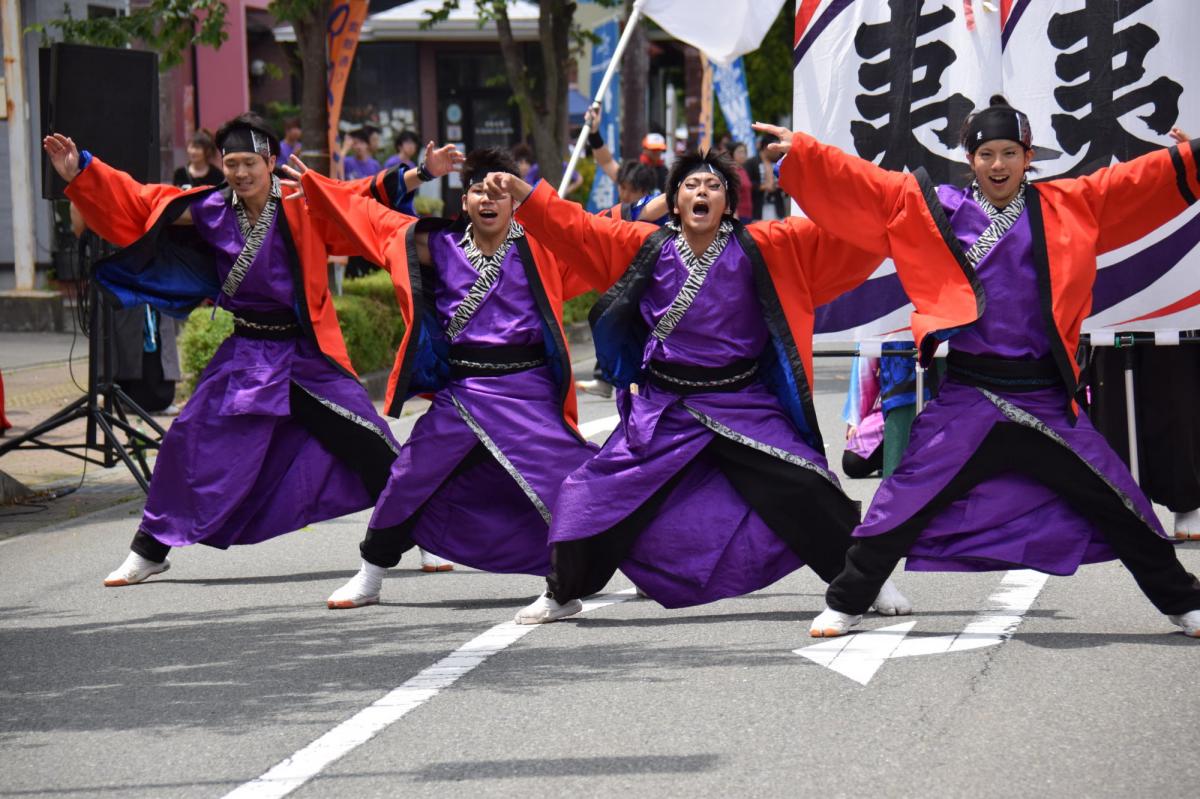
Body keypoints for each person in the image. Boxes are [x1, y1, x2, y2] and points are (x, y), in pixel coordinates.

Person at [757, 96, 1200, 639]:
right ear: (969, 158)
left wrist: (1191, 159)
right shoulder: (939, 209)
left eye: (1009, 153)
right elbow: (873, 188)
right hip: (970, 394)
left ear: (1029, 156)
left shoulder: (1069, 205)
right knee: (904, 499)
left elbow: (1135, 183)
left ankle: (1182, 602)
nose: (997, 165)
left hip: (1045, 396)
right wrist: (805, 154)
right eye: (986, 153)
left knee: (1118, 499)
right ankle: (848, 600)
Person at [485, 150, 915, 625]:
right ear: (673, 202)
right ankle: (563, 591)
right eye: (690, 186)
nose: (701, 193)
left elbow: (839, 236)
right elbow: (580, 230)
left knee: (807, 481)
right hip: (666, 405)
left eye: (713, 186)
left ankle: (865, 579)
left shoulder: (766, 244)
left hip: (741, 399)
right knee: (589, 493)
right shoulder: (643, 245)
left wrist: (885, 192)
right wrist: (527, 196)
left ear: (728, 204)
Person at [43, 114, 409, 587]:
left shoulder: (302, 203)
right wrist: (82, 172)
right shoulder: (211, 209)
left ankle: (412, 528)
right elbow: (140, 204)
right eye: (230, 163)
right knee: (187, 442)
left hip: (302, 353)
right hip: (247, 354)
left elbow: (357, 204)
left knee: (366, 439)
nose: (240, 172)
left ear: (271, 161)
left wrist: (417, 173)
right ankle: (150, 549)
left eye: (250, 162)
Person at [285, 147, 603, 609]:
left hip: (527, 388)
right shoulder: (438, 245)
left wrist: (659, 208)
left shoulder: (543, 248)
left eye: (499, 190)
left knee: (566, 481)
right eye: (478, 189)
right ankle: (371, 573)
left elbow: (600, 233)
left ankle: (582, 578)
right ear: (465, 200)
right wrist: (320, 186)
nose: (488, 198)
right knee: (409, 474)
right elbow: (371, 219)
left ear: (516, 200)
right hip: (465, 390)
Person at [730, 142, 754, 223]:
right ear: (732, 154)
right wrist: (734, 213)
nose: (743, 155)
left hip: (748, 213)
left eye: (745, 152)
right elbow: (730, 194)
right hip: (738, 214)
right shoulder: (731, 171)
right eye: (740, 152)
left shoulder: (743, 170)